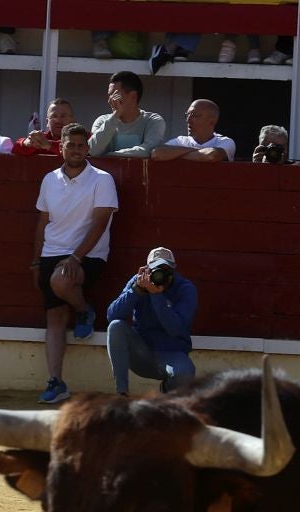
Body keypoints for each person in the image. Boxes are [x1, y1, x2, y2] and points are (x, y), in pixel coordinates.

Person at [31, 123, 116, 404]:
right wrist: (35, 261)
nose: (77, 149)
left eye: (81, 145)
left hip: (87, 255)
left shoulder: (102, 179)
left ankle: (84, 310)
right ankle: (55, 381)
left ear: (88, 148)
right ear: (61, 147)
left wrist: (76, 257)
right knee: (54, 318)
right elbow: (43, 222)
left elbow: (101, 221)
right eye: (71, 145)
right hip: (52, 251)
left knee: (61, 280)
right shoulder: (49, 179)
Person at [105, 246, 196, 396]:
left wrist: (156, 296)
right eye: (156, 270)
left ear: (174, 271)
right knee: (116, 327)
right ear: (147, 270)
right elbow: (112, 315)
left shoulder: (186, 289)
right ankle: (121, 393)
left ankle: (168, 392)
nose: (161, 276)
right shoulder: (139, 282)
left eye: (166, 270)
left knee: (185, 372)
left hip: (171, 354)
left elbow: (175, 329)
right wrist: (136, 290)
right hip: (142, 354)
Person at [88, 71, 165, 159]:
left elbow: (148, 150)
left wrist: (110, 156)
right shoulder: (102, 121)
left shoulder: (153, 121)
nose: (110, 100)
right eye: (109, 95)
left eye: (115, 95)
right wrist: (115, 116)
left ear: (133, 96)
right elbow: (92, 150)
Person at [153, 98, 233, 162]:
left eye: (195, 116)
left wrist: (175, 154)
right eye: (187, 115)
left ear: (212, 121)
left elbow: (211, 156)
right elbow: (156, 153)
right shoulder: (181, 141)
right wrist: (198, 152)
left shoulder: (225, 141)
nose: (188, 120)